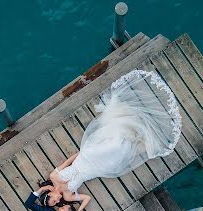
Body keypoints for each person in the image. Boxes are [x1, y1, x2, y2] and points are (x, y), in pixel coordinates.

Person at [47, 69, 182, 197]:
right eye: (55, 203)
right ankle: (136, 139)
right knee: (118, 159)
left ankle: (131, 130)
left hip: (85, 158)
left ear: (48, 194)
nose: (57, 200)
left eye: (53, 200)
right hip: (92, 172)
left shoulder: (53, 177)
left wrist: (82, 153)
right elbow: (84, 199)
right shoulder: (67, 195)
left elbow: (67, 161)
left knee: (115, 145)